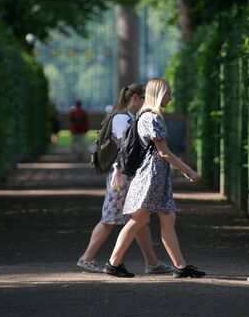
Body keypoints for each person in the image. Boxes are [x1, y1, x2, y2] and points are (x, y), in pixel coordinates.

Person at [103, 78, 205, 278]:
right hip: (152, 177)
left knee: (166, 219)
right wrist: (189, 171)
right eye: (168, 93)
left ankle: (181, 267)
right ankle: (113, 263)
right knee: (138, 220)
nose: (170, 97)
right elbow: (164, 153)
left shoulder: (144, 116)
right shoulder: (153, 118)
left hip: (155, 176)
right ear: (159, 94)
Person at [77, 84, 174, 275]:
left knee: (138, 218)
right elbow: (124, 150)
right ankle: (87, 258)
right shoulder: (123, 119)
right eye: (144, 98)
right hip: (120, 176)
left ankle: (152, 263)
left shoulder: (127, 117)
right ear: (135, 98)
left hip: (124, 174)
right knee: (110, 218)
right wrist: (121, 173)